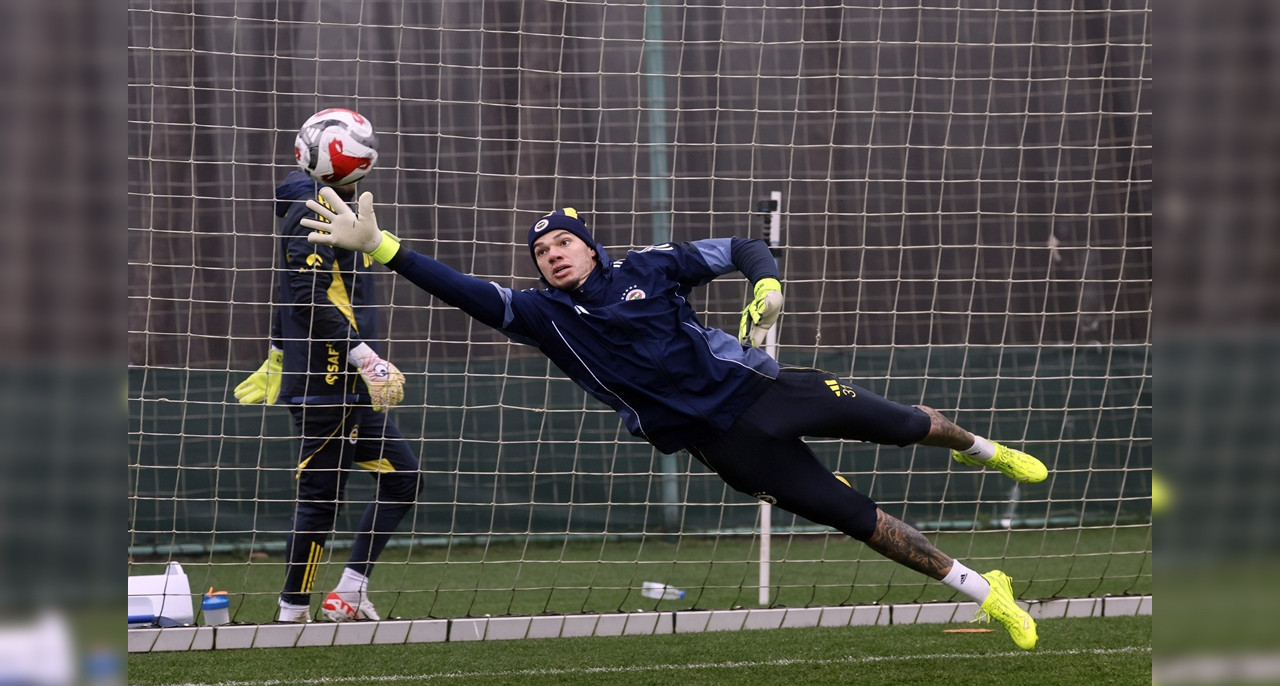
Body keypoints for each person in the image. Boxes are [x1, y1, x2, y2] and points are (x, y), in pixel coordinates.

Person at [300, 190, 1048, 649]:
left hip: (769, 390)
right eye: (541, 250)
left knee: (907, 425)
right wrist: (386, 250)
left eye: (563, 240)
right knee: (854, 517)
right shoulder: (540, 315)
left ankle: (982, 448)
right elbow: (462, 289)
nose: (554, 254)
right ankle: (991, 592)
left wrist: (768, 285)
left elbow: (746, 247)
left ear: (588, 244)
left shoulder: (650, 266)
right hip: (723, 445)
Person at [233, 172, 423, 623]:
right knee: (320, 500)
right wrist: (366, 358)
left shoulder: (331, 218)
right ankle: (292, 611)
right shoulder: (311, 212)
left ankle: (348, 595)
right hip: (327, 387)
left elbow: (290, 297)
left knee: (404, 480)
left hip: (351, 392)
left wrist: (277, 355)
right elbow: (305, 297)